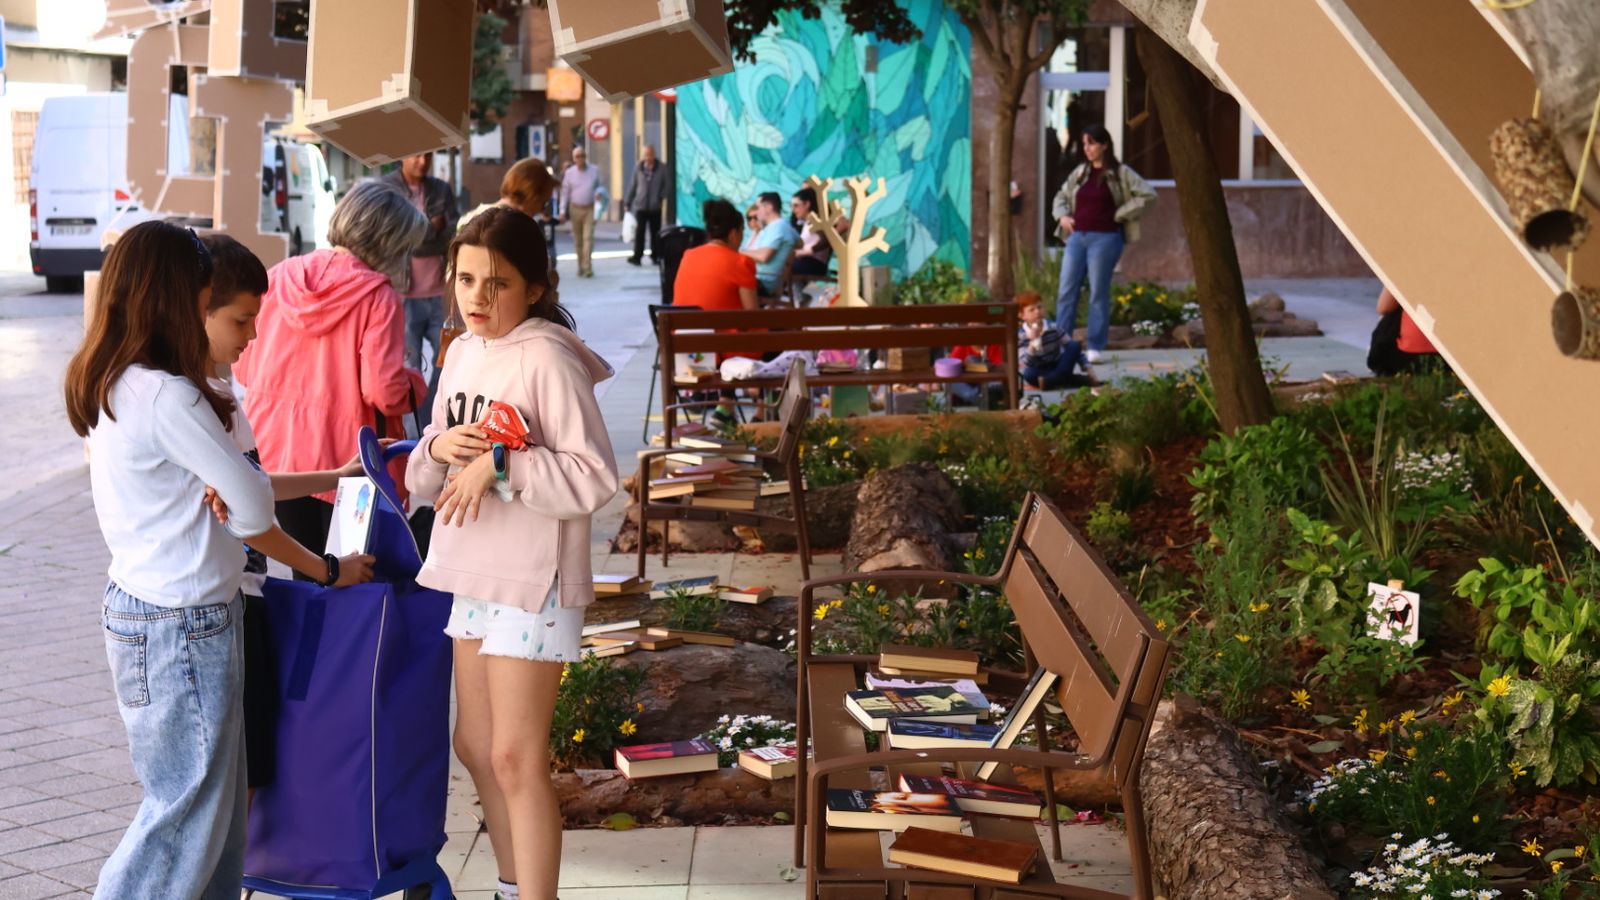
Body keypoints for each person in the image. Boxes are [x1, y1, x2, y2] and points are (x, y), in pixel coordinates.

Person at [407, 206, 619, 900]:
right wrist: (440, 448)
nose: (477, 297)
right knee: (474, 748)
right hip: (472, 570)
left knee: (513, 756)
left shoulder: (549, 357)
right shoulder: (462, 351)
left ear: (535, 286)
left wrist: (502, 466)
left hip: (535, 580)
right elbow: (425, 463)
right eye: (466, 279)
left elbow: (593, 477)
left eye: (496, 283)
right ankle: (509, 884)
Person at [64, 221, 274, 898]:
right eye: (204, 290)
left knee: (208, 822)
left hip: (151, 610)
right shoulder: (169, 394)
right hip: (185, 623)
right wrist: (239, 491)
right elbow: (253, 507)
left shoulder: (118, 380)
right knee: (187, 815)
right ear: (175, 294)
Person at [199, 235, 377, 801]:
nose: (253, 336)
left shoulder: (224, 392)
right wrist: (327, 570)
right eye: (242, 320)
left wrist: (333, 475)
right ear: (195, 308)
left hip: (241, 595)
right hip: (219, 604)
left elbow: (253, 488)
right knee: (229, 789)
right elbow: (250, 515)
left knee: (248, 775)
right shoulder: (193, 400)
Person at [233, 179, 428, 558]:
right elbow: (386, 393)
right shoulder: (378, 297)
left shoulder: (279, 277)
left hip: (277, 456)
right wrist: (415, 380)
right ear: (391, 243)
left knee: (305, 568)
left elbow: (244, 368)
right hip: (349, 462)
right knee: (352, 575)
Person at [1051, 124, 1157, 363]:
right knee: (1066, 291)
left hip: (1106, 239)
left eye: (1091, 143)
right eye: (1085, 144)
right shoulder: (1081, 173)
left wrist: (1121, 214)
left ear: (1104, 145)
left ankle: (1095, 346)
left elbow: (1149, 195)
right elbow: (1061, 196)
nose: (1086, 148)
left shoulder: (1120, 173)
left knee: (1098, 292)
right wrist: (1063, 215)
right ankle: (1062, 345)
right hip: (1077, 237)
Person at [384, 152, 460, 417]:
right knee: (409, 367)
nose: (422, 161)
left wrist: (421, 234)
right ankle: (410, 433)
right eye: (416, 155)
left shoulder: (441, 189)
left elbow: (452, 235)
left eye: (427, 155)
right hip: (403, 293)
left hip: (440, 292)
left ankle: (428, 417)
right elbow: (393, 237)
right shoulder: (388, 188)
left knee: (451, 360)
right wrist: (430, 228)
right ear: (402, 156)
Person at [674, 199, 758, 311]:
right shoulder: (741, 262)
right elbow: (754, 317)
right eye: (742, 231)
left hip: (682, 327)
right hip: (721, 328)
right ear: (733, 234)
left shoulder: (688, 256)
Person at [1016, 292, 1092, 391]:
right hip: (1039, 368)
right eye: (1031, 310)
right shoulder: (1021, 336)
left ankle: (1051, 381)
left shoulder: (1053, 327)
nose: (1037, 312)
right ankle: (1066, 380)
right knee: (1028, 374)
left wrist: (1086, 366)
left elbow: (1071, 346)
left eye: (1039, 307)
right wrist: (1031, 346)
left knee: (1074, 345)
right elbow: (1025, 362)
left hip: (1058, 364)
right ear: (1022, 315)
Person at [1368, 286, 1439, 375]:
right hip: (1453, 356)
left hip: (1409, 355)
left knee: (1392, 313)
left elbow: (1383, 308)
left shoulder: (1410, 273)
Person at [742, 191, 799, 297]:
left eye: (758, 208)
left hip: (763, 281)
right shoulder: (784, 225)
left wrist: (739, 252)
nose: (757, 212)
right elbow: (800, 243)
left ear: (768, 207)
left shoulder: (777, 227)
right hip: (765, 279)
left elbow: (764, 256)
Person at [559, 147, 601, 277]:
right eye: (577, 156)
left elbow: (600, 186)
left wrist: (599, 193)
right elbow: (565, 193)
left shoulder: (594, 170)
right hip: (575, 208)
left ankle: (587, 266)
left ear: (586, 156)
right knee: (578, 240)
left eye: (582, 155)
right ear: (574, 158)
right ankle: (580, 266)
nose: (580, 158)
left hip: (590, 208)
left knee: (588, 238)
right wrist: (562, 211)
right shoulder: (570, 173)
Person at [624, 145, 669, 266]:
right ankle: (637, 256)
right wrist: (628, 201)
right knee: (640, 233)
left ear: (654, 154)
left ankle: (656, 256)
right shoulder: (638, 168)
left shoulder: (662, 168)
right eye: (646, 155)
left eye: (650, 154)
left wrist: (661, 197)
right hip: (641, 206)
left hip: (655, 206)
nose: (648, 157)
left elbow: (667, 185)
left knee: (655, 233)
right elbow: (633, 185)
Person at [789, 187, 832, 278]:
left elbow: (826, 240)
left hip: (814, 264)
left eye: (796, 206)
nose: (793, 210)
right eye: (791, 206)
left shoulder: (815, 221)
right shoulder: (806, 222)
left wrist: (807, 251)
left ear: (807, 204)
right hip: (805, 263)